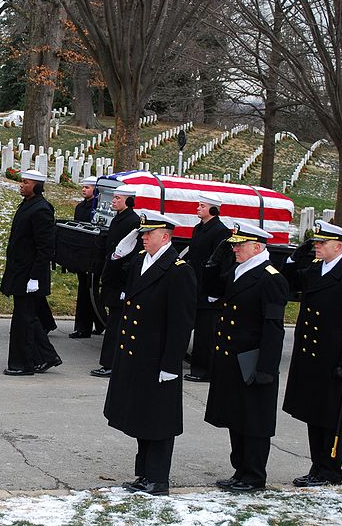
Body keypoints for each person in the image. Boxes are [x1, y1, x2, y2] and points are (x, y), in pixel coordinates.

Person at [104, 211, 196, 496]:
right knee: (141, 416)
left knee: (159, 420)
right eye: (142, 233)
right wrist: (121, 250)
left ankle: (157, 479)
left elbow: (181, 323)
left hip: (158, 358)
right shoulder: (141, 262)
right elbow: (111, 277)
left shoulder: (179, 269)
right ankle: (144, 474)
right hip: (136, 355)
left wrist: (171, 364)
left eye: (148, 234)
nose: (143, 237)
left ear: (165, 236)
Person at [282, 220, 342, 487]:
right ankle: (316, 467)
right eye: (316, 243)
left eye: (322, 243)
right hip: (312, 358)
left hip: (335, 360)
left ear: (339, 246)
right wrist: (296, 254)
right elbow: (289, 279)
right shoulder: (315, 269)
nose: (317, 247)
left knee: (332, 419)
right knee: (313, 414)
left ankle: (330, 471)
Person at [202, 222, 289, 493]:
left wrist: (267, 367)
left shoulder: (270, 278)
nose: (235, 249)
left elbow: (273, 328)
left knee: (253, 422)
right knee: (236, 418)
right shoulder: (239, 271)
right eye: (234, 245)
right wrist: (213, 262)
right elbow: (213, 289)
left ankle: (253, 475)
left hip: (253, 360)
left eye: (240, 245)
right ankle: (240, 470)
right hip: (233, 358)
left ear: (257, 247)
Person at [0, 170, 62, 376]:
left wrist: (35, 277)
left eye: (25, 182)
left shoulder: (42, 209)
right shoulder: (28, 204)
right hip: (20, 270)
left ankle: (23, 364)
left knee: (24, 320)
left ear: (36, 186)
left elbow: (45, 247)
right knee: (27, 317)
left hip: (29, 274)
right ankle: (47, 356)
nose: (21, 185)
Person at [90, 185, 142, 378]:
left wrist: (124, 284)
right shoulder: (118, 219)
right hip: (112, 278)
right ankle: (110, 362)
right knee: (113, 323)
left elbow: (131, 255)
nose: (113, 201)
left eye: (118, 198)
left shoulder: (133, 221)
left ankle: (111, 364)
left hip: (120, 282)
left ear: (128, 201)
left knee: (116, 326)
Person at [184, 192, 232, 383]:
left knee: (206, 333)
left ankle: (205, 370)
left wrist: (216, 291)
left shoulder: (220, 231)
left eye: (202, 206)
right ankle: (196, 365)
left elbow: (222, 263)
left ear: (213, 209)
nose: (198, 208)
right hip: (196, 284)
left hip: (209, 288)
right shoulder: (198, 229)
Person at [70, 176, 106, 339]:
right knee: (84, 290)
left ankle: (87, 326)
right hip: (82, 254)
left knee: (89, 292)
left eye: (88, 187)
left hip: (92, 255)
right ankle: (95, 323)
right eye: (83, 187)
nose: (84, 190)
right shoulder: (80, 207)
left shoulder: (97, 208)